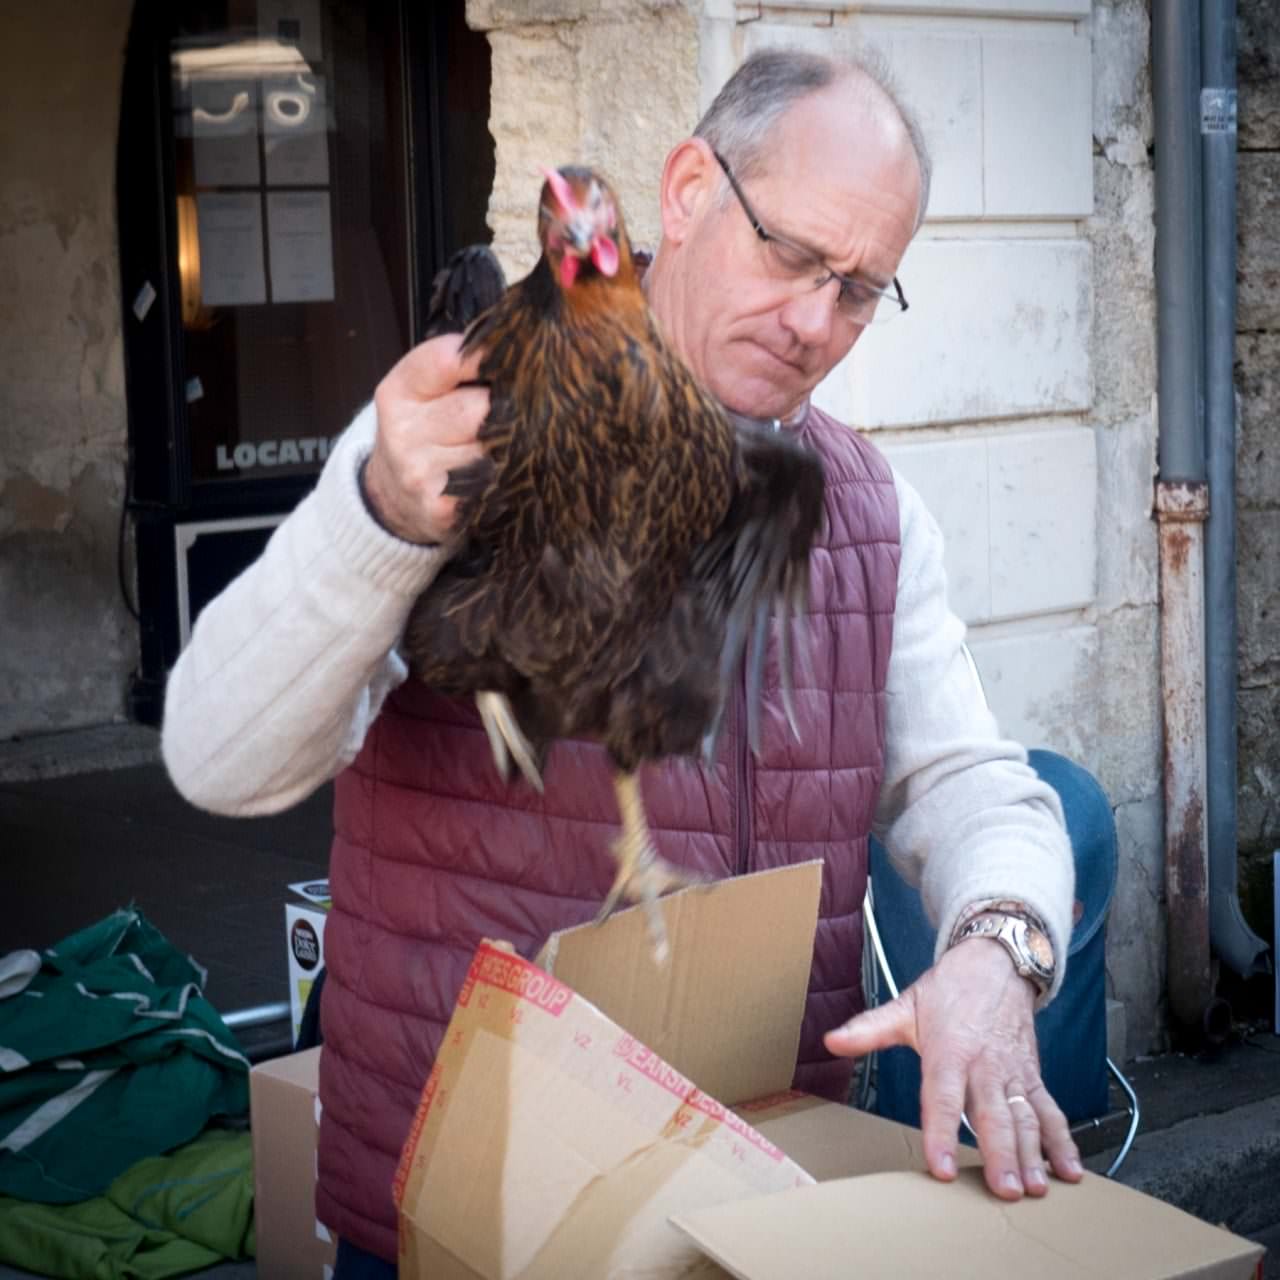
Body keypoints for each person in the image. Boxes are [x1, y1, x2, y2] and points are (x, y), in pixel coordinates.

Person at [162, 47, 1083, 1277]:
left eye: (860, 288)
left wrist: (996, 946)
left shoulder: (867, 507)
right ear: (691, 190)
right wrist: (378, 517)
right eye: (794, 256)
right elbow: (218, 758)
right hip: (469, 1214)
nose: (816, 323)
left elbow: (966, 778)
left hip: (757, 1200)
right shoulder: (456, 430)